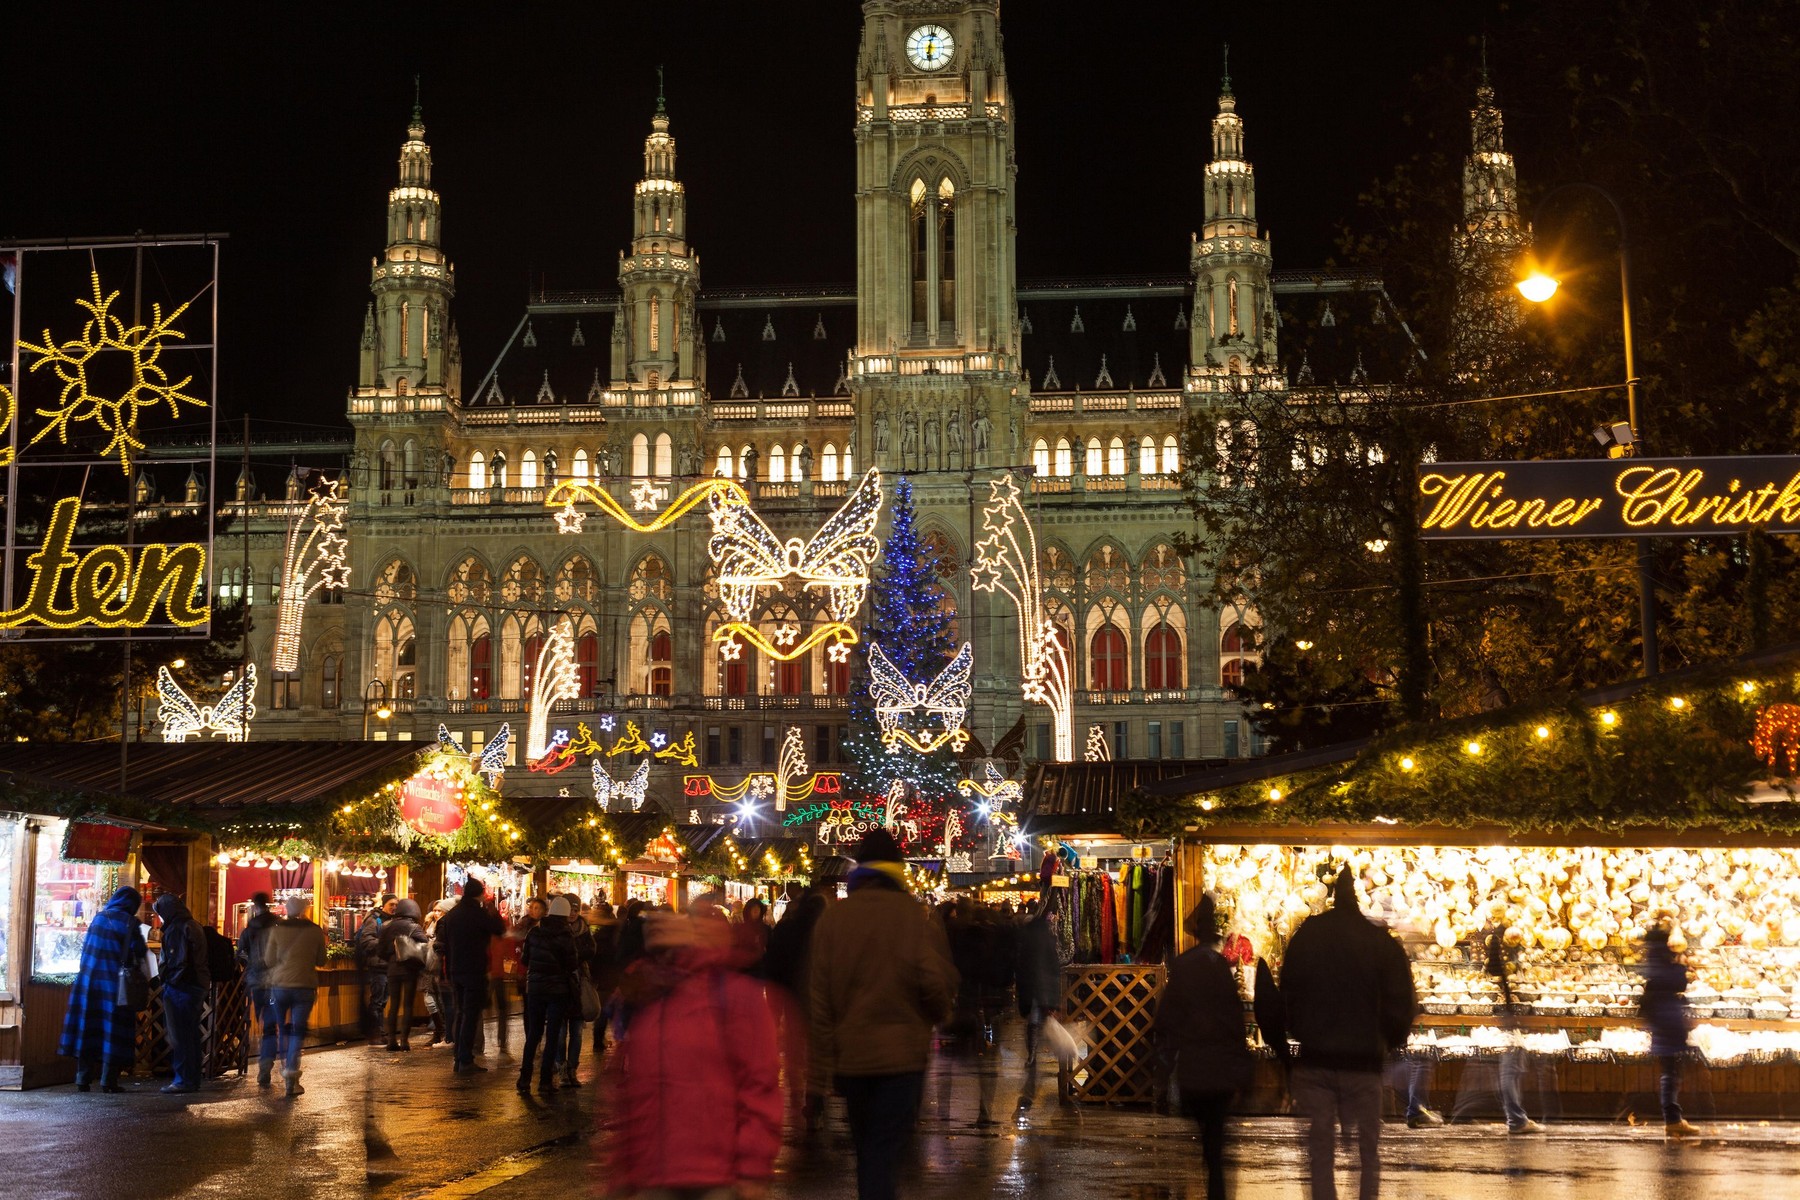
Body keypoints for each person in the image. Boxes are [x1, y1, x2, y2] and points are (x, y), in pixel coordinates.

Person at [810, 830, 958, 1200]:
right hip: (902, 1056)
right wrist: (942, 1015)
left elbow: (820, 997)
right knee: (884, 1150)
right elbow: (931, 979)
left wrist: (821, 1064)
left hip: (852, 1058)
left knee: (867, 1149)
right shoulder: (912, 915)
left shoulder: (834, 919)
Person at [608, 911, 782, 1199]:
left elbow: (760, 1085)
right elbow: (630, 1092)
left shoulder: (736, 996)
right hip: (651, 1176)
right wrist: (621, 1168)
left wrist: (753, 1167)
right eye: (658, 948)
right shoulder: (645, 997)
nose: (667, 957)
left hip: (716, 1179)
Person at [1278, 866, 1416, 1200]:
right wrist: (1388, 1040)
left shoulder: (1309, 935)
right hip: (1364, 1061)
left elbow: (1288, 988)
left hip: (1317, 1059)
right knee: (1368, 1152)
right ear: (1355, 899)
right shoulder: (1379, 940)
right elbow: (1401, 997)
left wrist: (1297, 1032)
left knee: (1320, 1150)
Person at [1154, 895, 1253, 1200]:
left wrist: (1163, 1065)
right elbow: (1235, 1021)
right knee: (1216, 1137)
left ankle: (1214, 1177)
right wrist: (1242, 1068)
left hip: (1195, 1066)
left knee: (1209, 1136)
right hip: (1220, 1066)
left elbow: (1168, 1019)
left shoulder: (1184, 966)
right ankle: (1217, 1185)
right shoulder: (1221, 968)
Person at [59, 884, 149, 1093]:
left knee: (88, 1028)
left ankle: (82, 1078)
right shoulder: (130, 923)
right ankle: (109, 1081)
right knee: (112, 1031)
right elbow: (138, 953)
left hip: (89, 983)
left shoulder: (99, 918)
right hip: (114, 987)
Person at [767, 884, 829, 1127]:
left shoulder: (787, 928)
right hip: (820, 999)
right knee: (817, 1051)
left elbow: (775, 962)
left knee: (794, 1048)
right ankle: (814, 1097)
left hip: (793, 996)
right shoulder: (829, 930)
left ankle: (796, 1089)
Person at [434, 878, 505, 1074]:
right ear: (480, 893)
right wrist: (493, 912)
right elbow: (499, 929)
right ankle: (465, 1059)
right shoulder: (478, 913)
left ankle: (459, 1057)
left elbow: (445, 943)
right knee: (470, 1015)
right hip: (474, 969)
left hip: (456, 969)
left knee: (459, 1012)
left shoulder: (453, 915)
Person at [263, 895, 329, 1097]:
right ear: (305, 909)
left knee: (283, 1030)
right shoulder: (315, 931)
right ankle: (292, 1076)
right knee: (298, 1032)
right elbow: (321, 960)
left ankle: (283, 1069)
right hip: (305, 986)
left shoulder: (277, 929)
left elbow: (268, 959)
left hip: (280, 985)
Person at [1484, 921, 1542, 1134]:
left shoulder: (1496, 955)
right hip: (1506, 1019)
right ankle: (1516, 1119)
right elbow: (1503, 987)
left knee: (1513, 1069)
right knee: (1510, 1070)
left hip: (1505, 1018)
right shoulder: (1500, 956)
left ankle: (1517, 1117)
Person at [1641, 924, 1698, 1139]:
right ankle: (1672, 1119)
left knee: (1671, 1072)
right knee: (1670, 1073)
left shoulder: (1654, 959)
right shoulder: (1662, 962)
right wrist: (1682, 967)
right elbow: (1677, 982)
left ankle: (1674, 1118)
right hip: (1667, 1023)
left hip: (1665, 1022)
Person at [151, 893, 212, 1095]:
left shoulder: (177, 928)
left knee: (180, 1035)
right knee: (191, 1034)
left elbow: (178, 961)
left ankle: (183, 1080)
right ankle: (191, 1078)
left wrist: (168, 980)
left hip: (181, 987)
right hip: (196, 985)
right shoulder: (192, 924)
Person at [518, 895, 577, 1094]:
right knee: (552, 1035)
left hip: (534, 988)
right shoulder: (566, 935)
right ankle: (544, 1081)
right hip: (557, 990)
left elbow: (525, 959)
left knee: (533, 1034)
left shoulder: (534, 932)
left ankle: (524, 1079)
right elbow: (571, 964)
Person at [235, 893, 280, 1084]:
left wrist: (251, 964)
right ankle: (265, 1066)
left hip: (256, 981)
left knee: (256, 1020)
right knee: (271, 1027)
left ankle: (250, 1056)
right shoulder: (279, 926)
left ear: (255, 905)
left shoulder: (250, 928)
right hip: (276, 981)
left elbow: (240, 953)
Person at [380, 899, 428, 1051]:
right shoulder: (415, 927)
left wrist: (391, 957)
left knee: (393, 1005)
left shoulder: (387, 927)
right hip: (410, 970)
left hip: (392, 970)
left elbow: (380, 950)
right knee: (408, 1005)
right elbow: (425, 947)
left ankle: (391, 1040)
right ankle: (405, 1041)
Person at [558, 893, 595, 1087]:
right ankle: (561, 1067)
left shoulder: (584, 929)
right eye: (569, 909)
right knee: (560, 1032)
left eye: (575, 909)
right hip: (561, 985)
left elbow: (592, 950)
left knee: (577, 1032)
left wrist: (576, 957)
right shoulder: (555, 929)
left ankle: (572, 1068)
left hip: (579, 984)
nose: (572, 913)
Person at [356, 894, 398, 1043]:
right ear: (384, 904)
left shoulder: (393, 921)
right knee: (377, 1001)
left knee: (383, 1001)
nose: (394, 907)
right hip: (377, 966)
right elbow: (366, 941)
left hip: (388, 966)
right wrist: (386, 942)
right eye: (391, 904)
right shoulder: (374, 919)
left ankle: (380, 1032)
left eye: (396, 905)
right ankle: (374, 1034)